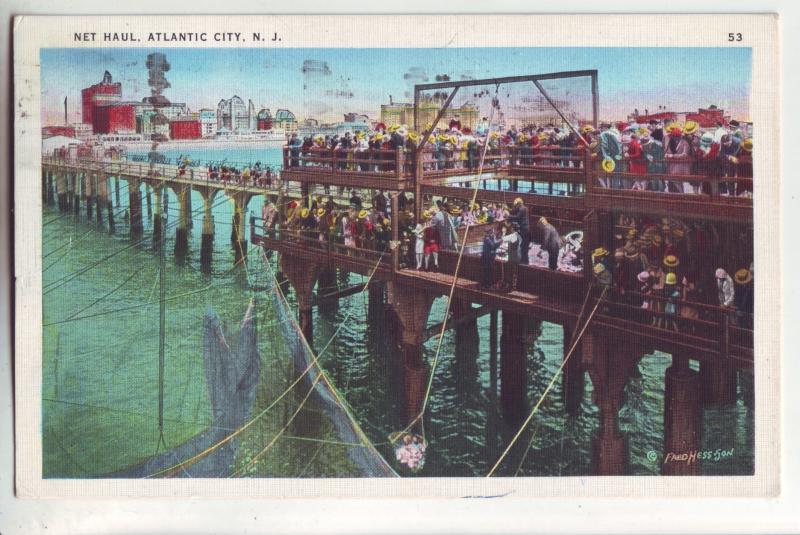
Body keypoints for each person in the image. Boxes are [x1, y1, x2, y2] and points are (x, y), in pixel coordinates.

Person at [508, 198, 531, 264]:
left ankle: (524, 261)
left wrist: (508, 216)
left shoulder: (522, 209)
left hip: (524, 229)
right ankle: (525, 260)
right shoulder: (524, 208)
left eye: (516, 205)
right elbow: (516, 212)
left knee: (523, 246)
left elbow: (517, 217)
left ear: (519, 204)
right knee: (524, 245)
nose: (515, 207)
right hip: (525, 229)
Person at [501, 222, 521, 291]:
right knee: (515, 272)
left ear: (513, 228)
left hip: (513, 257)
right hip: (518, 256)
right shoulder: (519, 235)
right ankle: (514, 287)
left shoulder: (513, 235)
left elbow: (503, 239)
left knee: (510, 272)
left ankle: (510, 287)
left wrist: (504, 231)